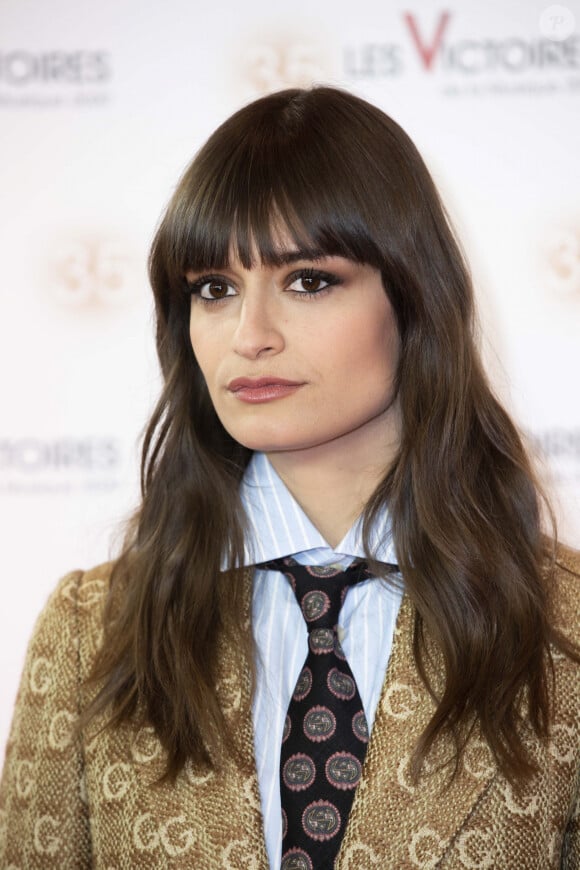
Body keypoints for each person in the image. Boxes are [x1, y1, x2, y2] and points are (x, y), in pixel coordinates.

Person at [0, 86, 578, 869]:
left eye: (308, 280)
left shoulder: (566, 630)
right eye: (214, 289)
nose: (250, 335)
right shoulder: (89, 633)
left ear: (413, 299)